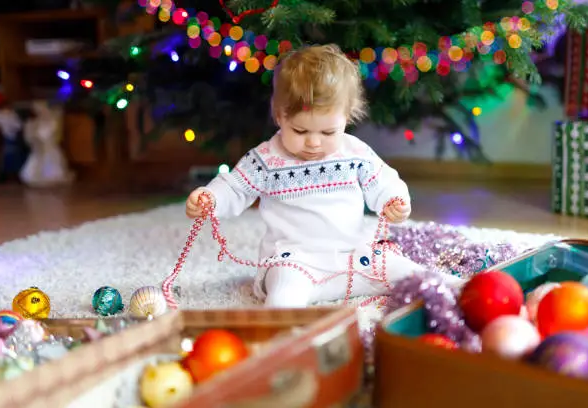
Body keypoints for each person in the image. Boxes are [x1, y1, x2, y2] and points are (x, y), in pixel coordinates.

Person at [186, 44, 462, 307]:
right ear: (280, 116)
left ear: (347, 117)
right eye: (301, 131)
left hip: (353, 259)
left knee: (403, 269)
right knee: (284, 291)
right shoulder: (266, 159)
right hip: (294, 262)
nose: (314, 143)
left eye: (328, 132)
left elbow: (384, 181)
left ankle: (459, 288)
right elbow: (234, 188)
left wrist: (394, 200)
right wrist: (211, 198)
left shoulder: (354, 153)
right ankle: (287, 334)